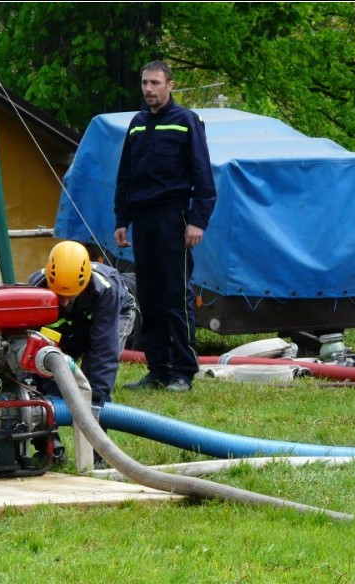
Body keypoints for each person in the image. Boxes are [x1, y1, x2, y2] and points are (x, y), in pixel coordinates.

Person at [114, 60, 216, 393]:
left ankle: (184, 372)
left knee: (176, 296)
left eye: (155, 83)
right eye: (144, 83)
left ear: (170, 85)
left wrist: (197, 221)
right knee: (150, 297)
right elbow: (125, 176)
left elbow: (203, 177)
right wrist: (121, 220)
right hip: (143, 221)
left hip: (174, 218)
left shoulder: (186, 122)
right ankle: (157, 370)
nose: (148, 89)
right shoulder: (137, 124)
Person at [28, 241, 137, 413]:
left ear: (85, 283)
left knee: (91, 380)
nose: (63, 302)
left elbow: (104, 351)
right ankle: (50, 436)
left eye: (69, 296)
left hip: (118, 311)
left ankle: (98, 434)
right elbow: (32, 344)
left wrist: (95, 401)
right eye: (59, 295)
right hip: (76, 319)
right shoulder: (36, 288)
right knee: (50, 372)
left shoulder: (105, 290)